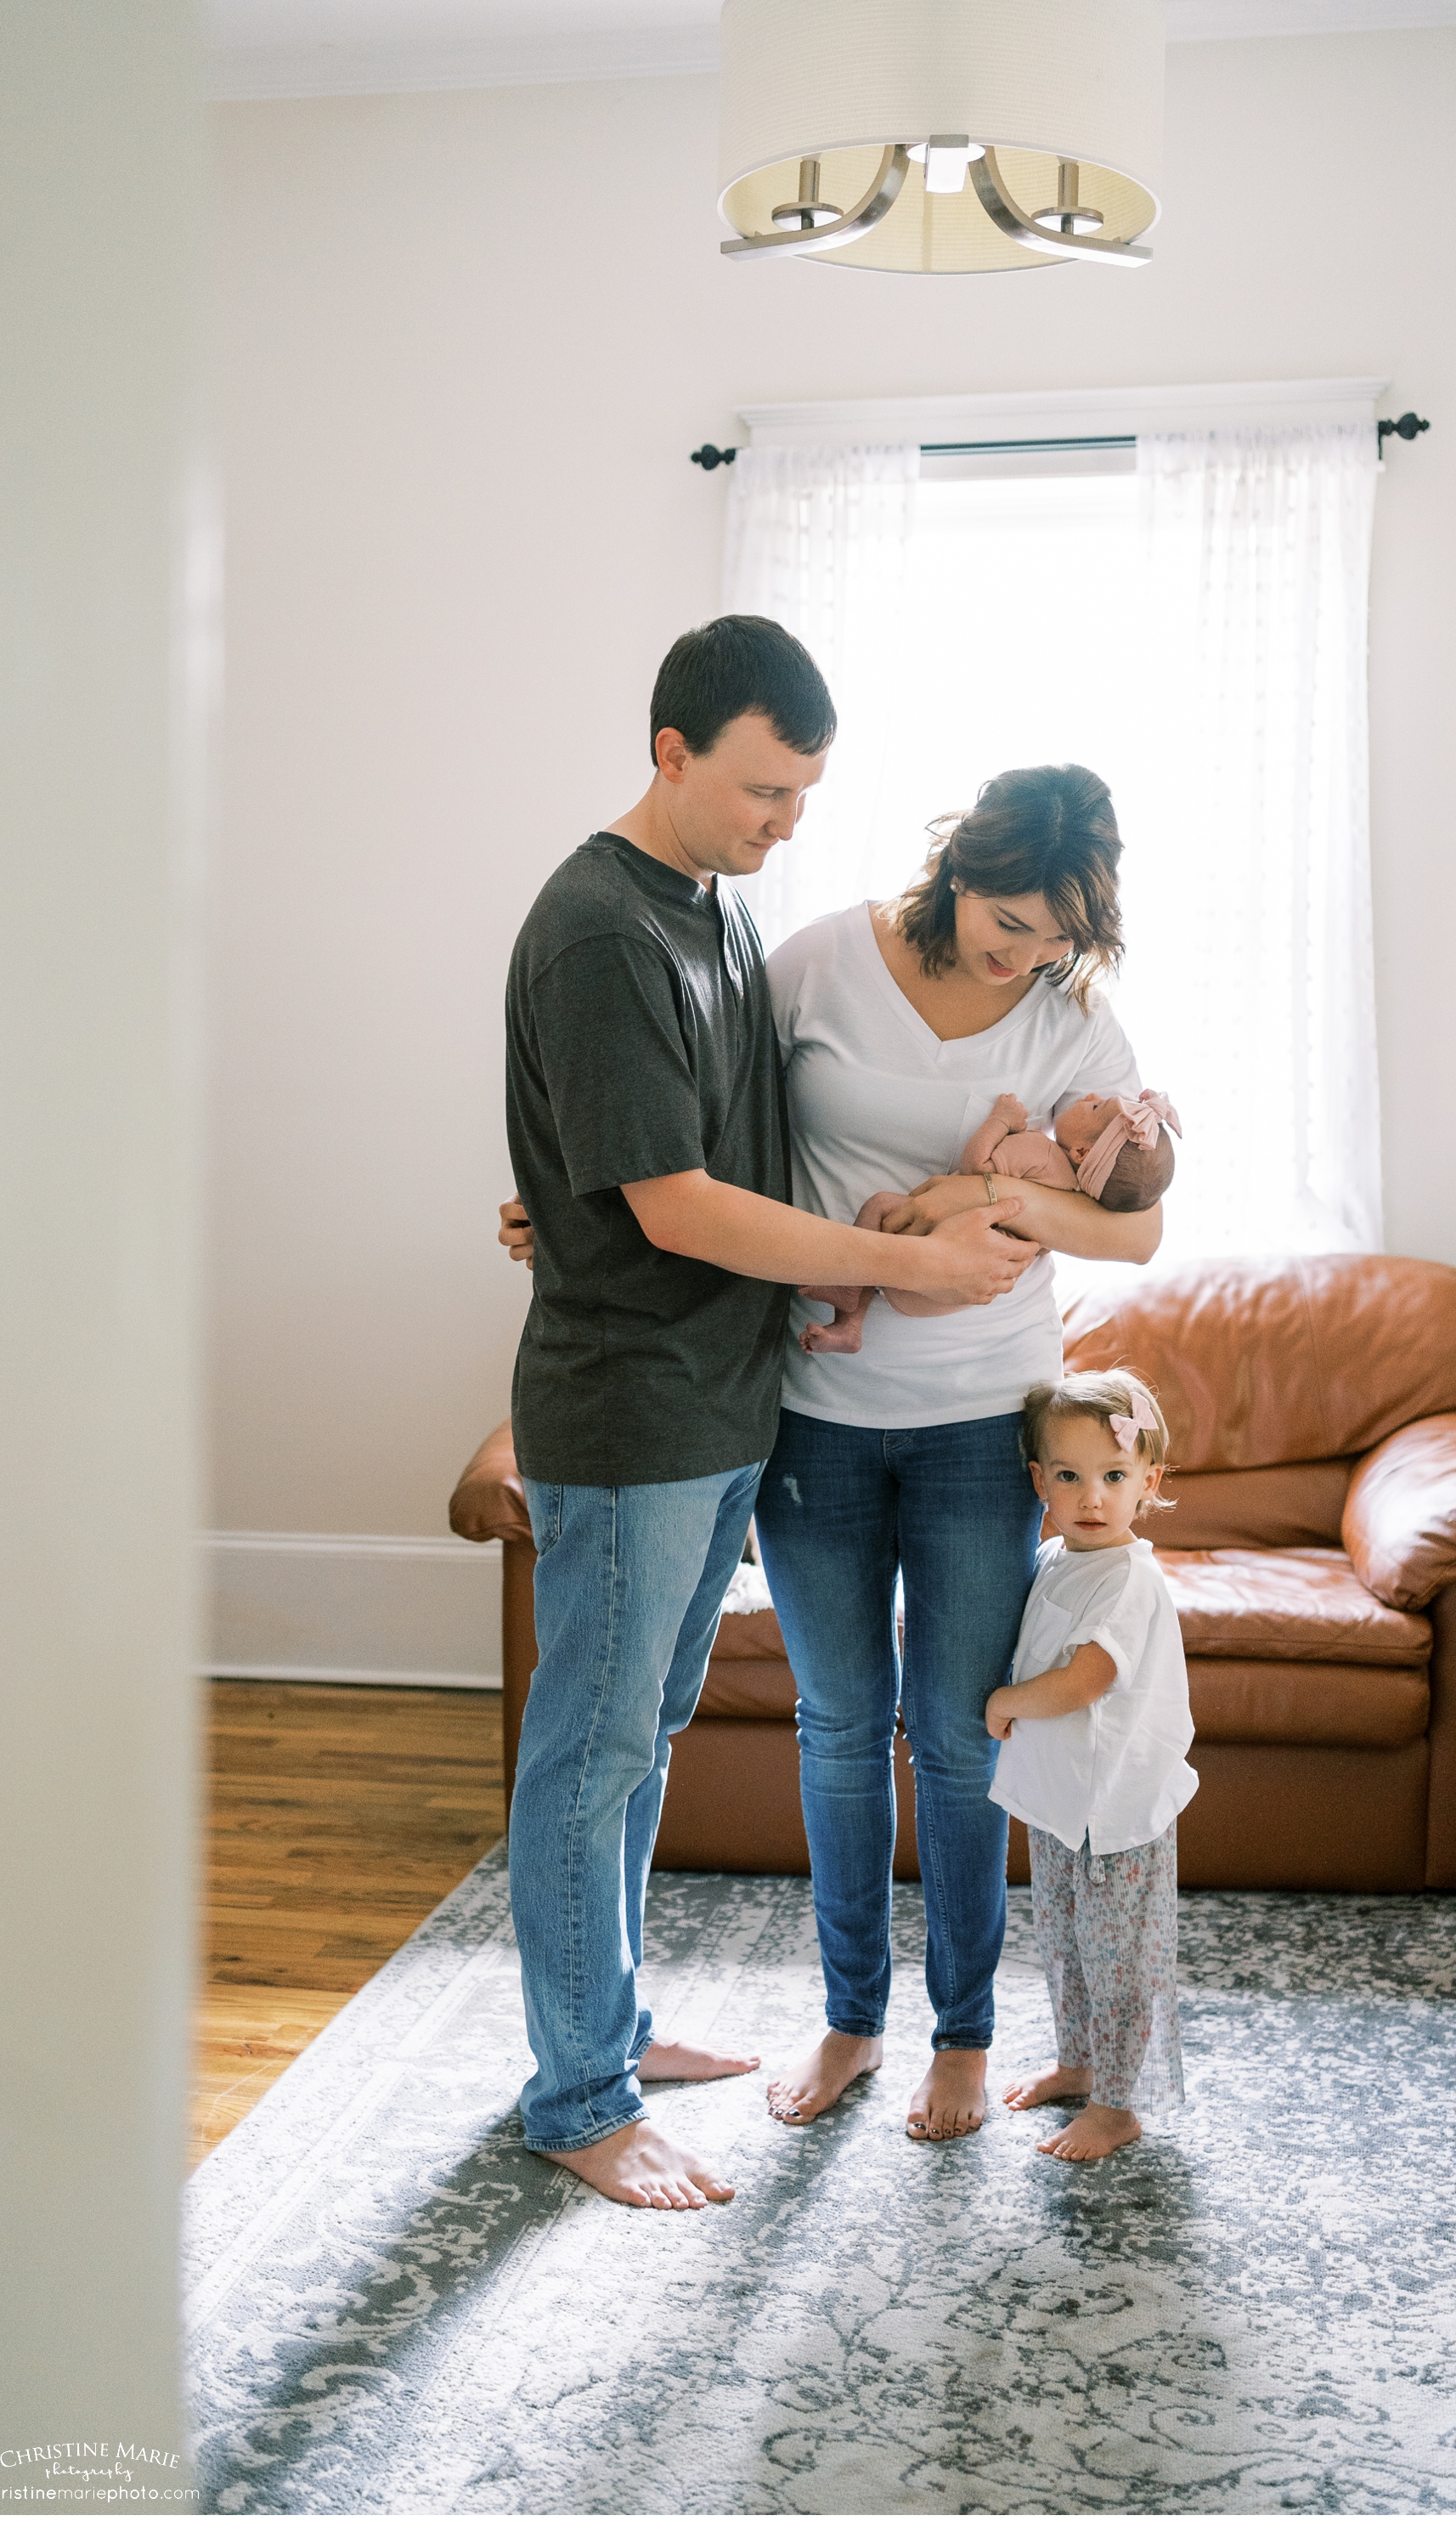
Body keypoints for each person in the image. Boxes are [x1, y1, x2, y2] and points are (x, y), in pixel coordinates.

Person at [501, 615, 1037, 2213]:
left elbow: (709, 1156)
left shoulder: (712, 913)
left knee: (639, 1739)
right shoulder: (603, 929)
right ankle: (580, 2096)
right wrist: (900, 1262)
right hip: (630, 1412)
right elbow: (671, 1206)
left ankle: (611, 2026)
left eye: (804, 793)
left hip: (725, 1401)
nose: (784, 823)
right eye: (759, 789)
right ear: (670, 751)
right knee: (587, 1755)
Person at [751, 763, 1164, 2144]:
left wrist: (984, 1191)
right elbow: (711, 1144)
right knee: (834, 1729)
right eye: (1011, 917)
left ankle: (966, 2037)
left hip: (984, 1426)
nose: (1027, 951)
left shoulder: (1069, 1026)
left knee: (956, 1738)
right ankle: (851, 2017)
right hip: (813, 1415)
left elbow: (1131, 1230)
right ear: (957, 868)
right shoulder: (816, 965)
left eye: (1056, 934)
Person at [988, 1369, 1198, 2162]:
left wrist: (1005, 1700)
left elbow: (1086, 1679)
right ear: (1041, 1480)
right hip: (1065, 1805)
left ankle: (1118, 2104)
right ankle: (1077, 2061)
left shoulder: (1128, 1578)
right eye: (1070, 1477)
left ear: (1149, 1482)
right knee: (1069, 1944)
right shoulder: (1055, 1557)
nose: (1093, 1497)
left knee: (1120, 1963)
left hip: (1117, 1812)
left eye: (1114, 1477)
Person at [797, 1086, 1182, 1354]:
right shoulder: (1078, 1196)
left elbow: (976, 1166)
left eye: (1096, 1109)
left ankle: (847, 1289)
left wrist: (1000, 1120)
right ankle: (849, 1330)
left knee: (881, 1204)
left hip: (931, 1252)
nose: (1092, 1097)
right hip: (964, 1291)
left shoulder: (1039, 1151)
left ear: (1082, 1150)